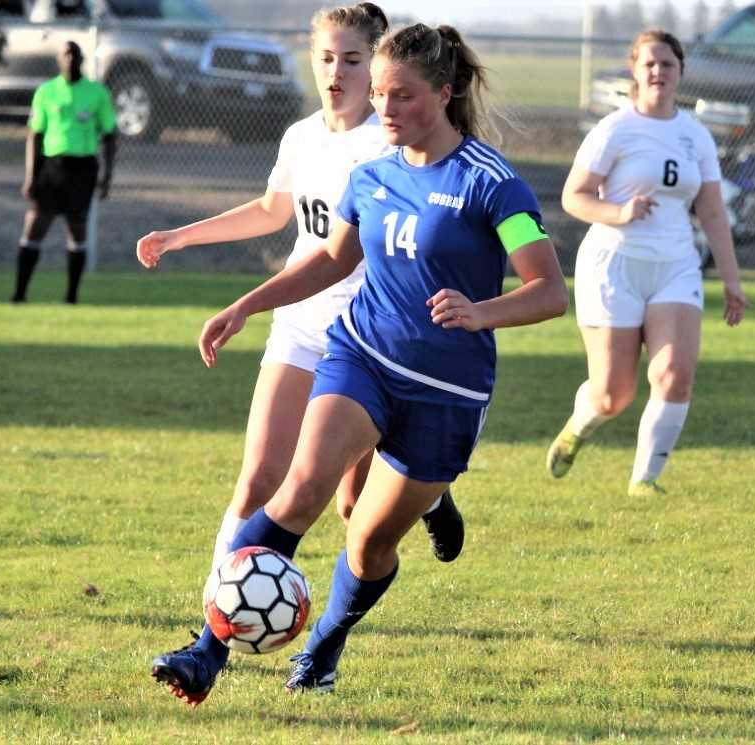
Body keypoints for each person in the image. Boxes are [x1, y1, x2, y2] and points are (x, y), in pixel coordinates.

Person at [149, 22, 568, 706]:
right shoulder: (370, 175)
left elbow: (548, 289)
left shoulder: (494, 184)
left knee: (369, 542)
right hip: (362, 358)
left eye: (402, 96)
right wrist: (247, 305)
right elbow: (331, 259)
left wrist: (480, 311)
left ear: (444, 90)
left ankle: (324, 647)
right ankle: (205, 650)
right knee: (297, 491)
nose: (386, 110)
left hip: (447, 392)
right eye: (379, 95)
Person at [136, 3, 466, 577]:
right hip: (301, 324)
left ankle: (430, 494)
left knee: (350, 507)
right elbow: (271, 211)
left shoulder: (390, 147)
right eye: (325, 58)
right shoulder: (300, 137)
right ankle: (220, 615)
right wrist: (180, 237)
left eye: (353, 59)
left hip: (369, 340)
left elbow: (353, 254)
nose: (337, 72)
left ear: (377, 65)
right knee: (259, 479)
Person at [545, 29, 749, 497]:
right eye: (649, 64)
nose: (658, 71)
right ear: (635, 71)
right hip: (614, 266)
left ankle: (645, 482)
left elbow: (712, 211)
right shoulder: (616, 128)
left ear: (680, 72)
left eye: (668, 64)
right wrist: (620, 212)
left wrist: (733, 282)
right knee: (613, 395)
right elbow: (573, 197)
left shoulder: (695, 134)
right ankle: (579, 424)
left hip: (675, 265)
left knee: (674, 375)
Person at [11, 40, 116, 305]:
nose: (70, 59)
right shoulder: (46, 92)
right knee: (35, 224)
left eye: (75, 54)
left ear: (82, 59)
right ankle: (20, 294)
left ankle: (71, 297)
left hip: (83, 168)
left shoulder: (97, 93)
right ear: (59, 59)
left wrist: (107, 177)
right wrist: (30, 177)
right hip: (52, 166)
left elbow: (110, 135)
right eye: (65, 54)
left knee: (77, 228)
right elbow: (35, 135)